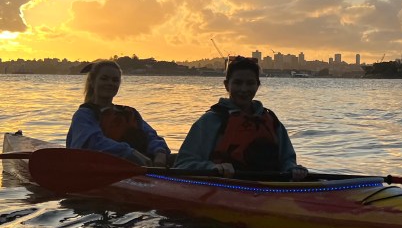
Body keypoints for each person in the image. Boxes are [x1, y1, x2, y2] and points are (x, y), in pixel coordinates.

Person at [175, 56, 307, 179]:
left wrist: (294, 169)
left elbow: (287, 160)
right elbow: (183, 164)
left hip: (269, 189)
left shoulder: (271, 120)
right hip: (224, 188)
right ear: (227, 85)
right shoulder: (210, 121)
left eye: (250, 83)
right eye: (237, 83)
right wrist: (212, 167)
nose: (244, 89)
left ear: (258, 85)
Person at [66, 60, 171, 166]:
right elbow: (92, 143)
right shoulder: (84, 115)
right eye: (104, 79)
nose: (110, 83)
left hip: (141, 169)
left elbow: (151, 135)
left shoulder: (129, 113)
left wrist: (160, 152)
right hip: (103, 168)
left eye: (115, 80)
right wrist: (131, 153)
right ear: (93, 82)